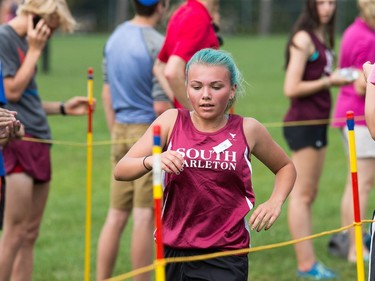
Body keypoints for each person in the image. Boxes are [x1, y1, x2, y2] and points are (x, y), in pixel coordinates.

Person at [114, 48, 297, 281]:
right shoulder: (171, 121)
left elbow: (285, 167)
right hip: (175, 250)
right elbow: (121, 169)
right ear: (187, 90)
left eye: (216, 87)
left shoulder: (248, 129)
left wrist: (275, 201)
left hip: (227, 252)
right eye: (197, 86)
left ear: (232, 91)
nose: (206, 95)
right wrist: (152, 160)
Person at [0, 1, 94, 281]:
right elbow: (11, 91)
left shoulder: (28, 43)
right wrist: (36, 50)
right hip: (18, 143)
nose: (49, 35)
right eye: (49, 28)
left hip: (40, 141)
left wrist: (63, 107)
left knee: (30, 234)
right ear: (35, 17)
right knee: (14, 233)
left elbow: (27, 98)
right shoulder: (6, 38)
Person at [96, 0, 171, 280]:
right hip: (148, 133)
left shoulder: (114, 37)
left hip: (119, 129)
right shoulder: (158, 43)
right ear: (161, 6)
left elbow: (106, 93)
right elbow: (160, 107)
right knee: (144, 216)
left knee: (115, 215)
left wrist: (117, 130)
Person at [282, 0, 354, 279]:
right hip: (304, 123)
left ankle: (309, 263)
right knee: (301, 195)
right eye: (321, 2)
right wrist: (330, 81)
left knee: (308, 194)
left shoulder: (321, 36)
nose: (327, 7)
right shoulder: (303, 38)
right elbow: (291, 86)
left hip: (317, 122)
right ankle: (306, 266)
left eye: (332, 2)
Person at [331, 0, 375, 263]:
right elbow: (361, 84)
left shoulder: (354, 31)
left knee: (357, 183)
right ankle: (355, 249)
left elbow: (344, 71)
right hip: (360, 117)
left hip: (354, 116)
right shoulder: (364, 37)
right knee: (361, 183)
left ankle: (355, 245)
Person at [153, 0, 221, 110]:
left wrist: (180, 103)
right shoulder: (197, 17)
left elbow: (160, 66)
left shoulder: (182, 12)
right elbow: (172, 72)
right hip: (200, 122)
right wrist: (196, 111)